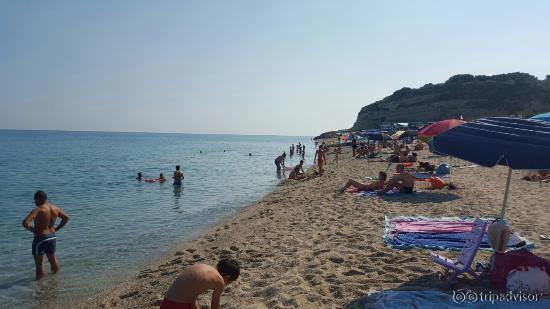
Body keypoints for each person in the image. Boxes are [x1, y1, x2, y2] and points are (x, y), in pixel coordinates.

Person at [22, 191, 70, 280]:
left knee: (39, 264)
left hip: (40, 238)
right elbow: (66, 218)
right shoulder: (55, 208)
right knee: (52, 258)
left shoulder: (38, 210)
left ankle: (40, 286)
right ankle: (56, 280)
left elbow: (25, 222)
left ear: (39, 199)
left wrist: (32, 230)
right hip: (52, 236)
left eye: (35, 200)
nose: (35, 202)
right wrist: (56, 229)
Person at [160, 258, 240, 309]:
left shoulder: (203, 267)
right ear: (228, 277)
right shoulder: (219, 281)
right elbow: (214, 306)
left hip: (166, 304)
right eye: (229, 283)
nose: (226, 284)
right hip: (178, 306)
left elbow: (191, 298)